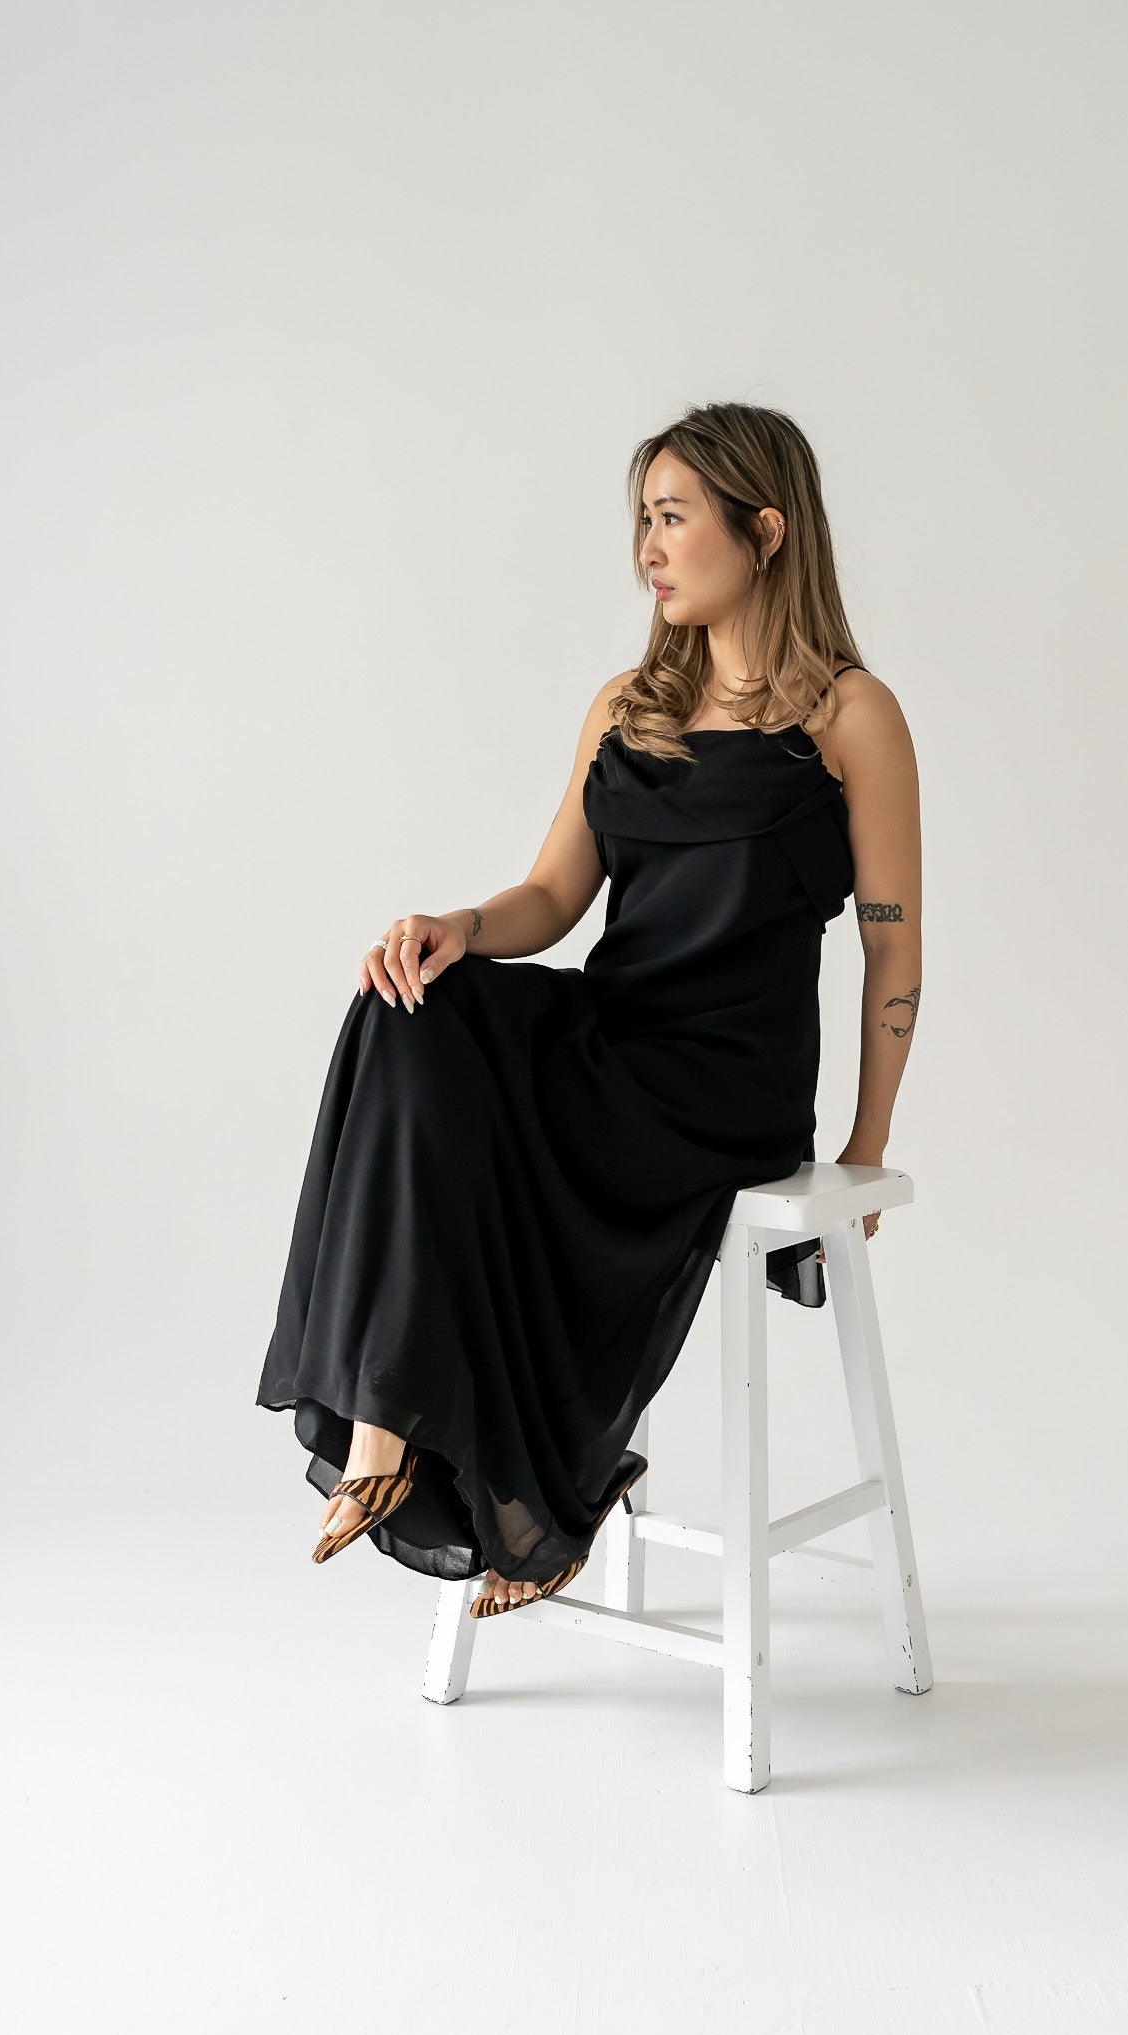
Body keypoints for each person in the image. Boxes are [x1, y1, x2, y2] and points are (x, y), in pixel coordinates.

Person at [255, 400, 922, 1617]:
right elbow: (555, 896)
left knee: (446, 1046)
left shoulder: (849, 717)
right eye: (642, 523)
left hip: (725, 1083)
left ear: (764, 530)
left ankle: (518, 1477)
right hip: (611, 1042)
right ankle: (386, 1421)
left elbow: (893, 954)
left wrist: (865, 1148)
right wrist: (457, 926)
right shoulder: (627, 704)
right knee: (408, 1004)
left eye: (672, 519)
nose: (647, 551)